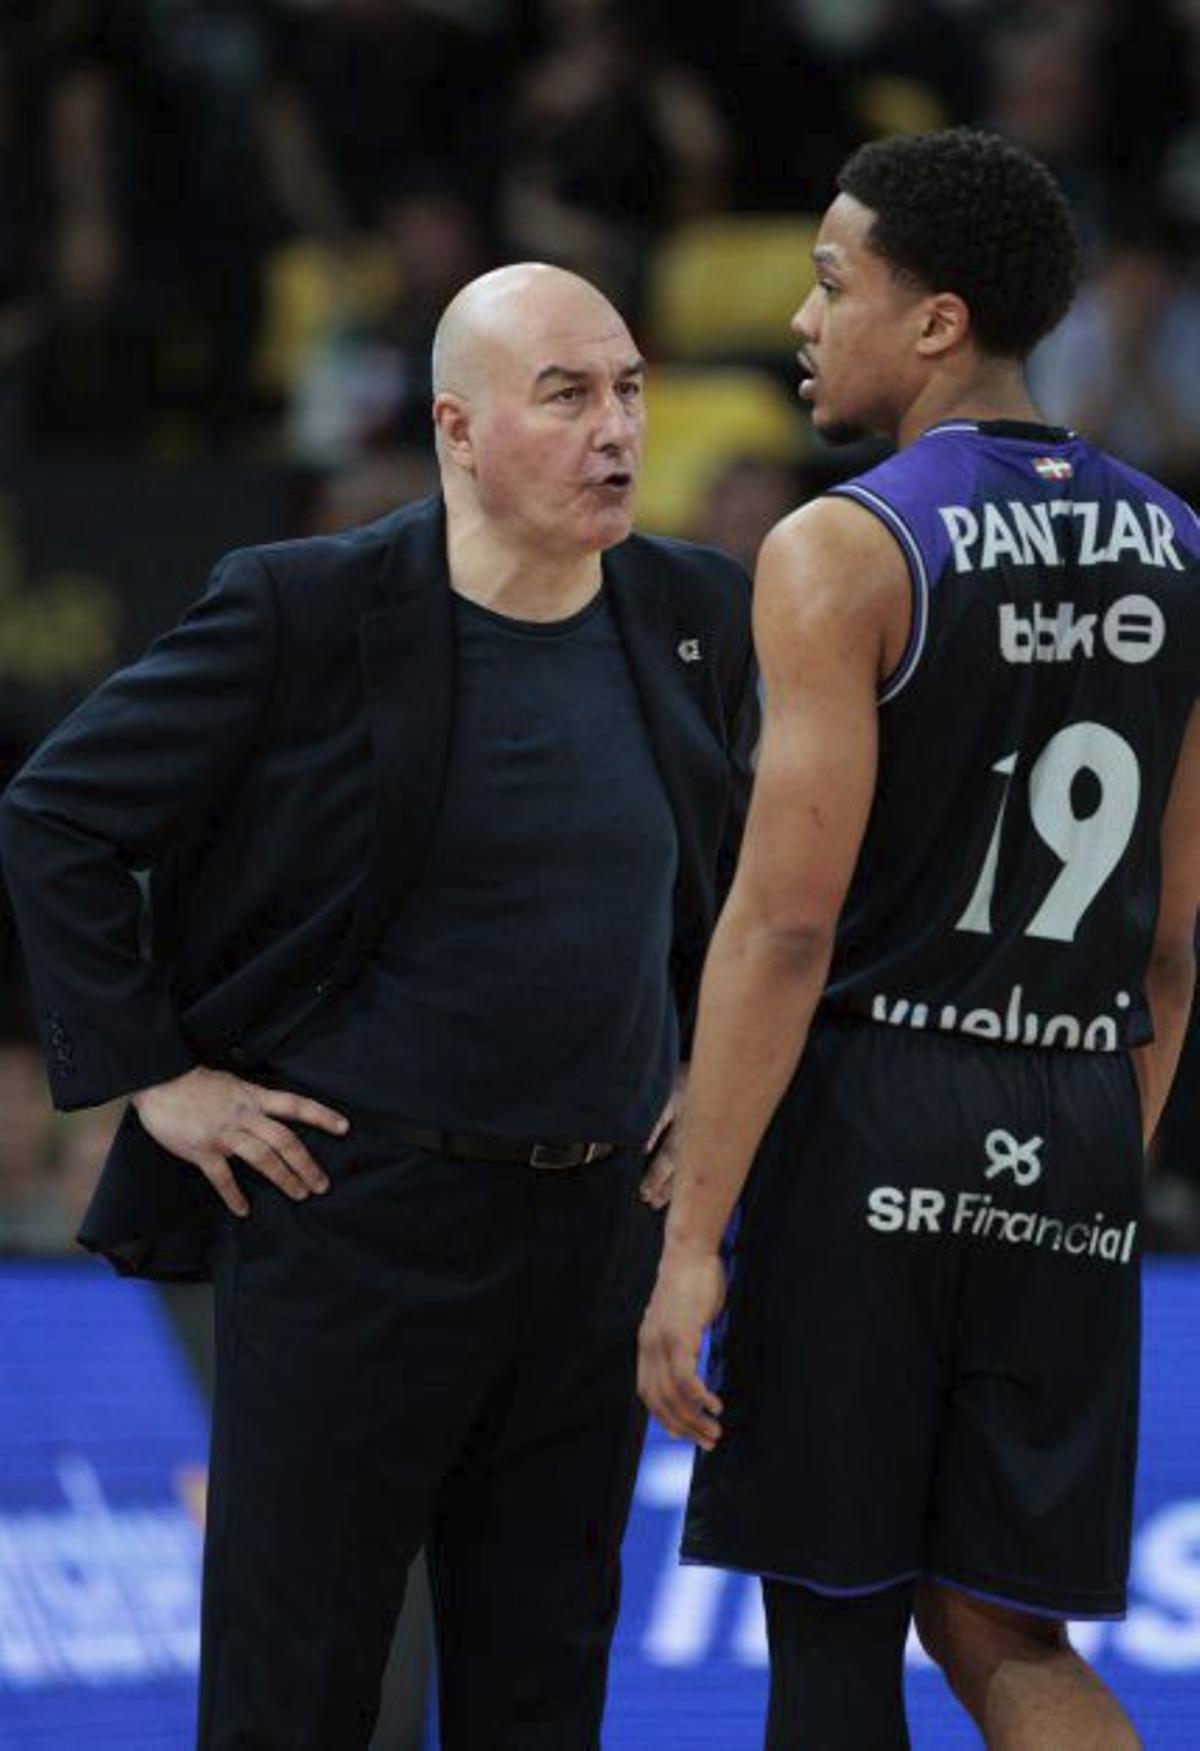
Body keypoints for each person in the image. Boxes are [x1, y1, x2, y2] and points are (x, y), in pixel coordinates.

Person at [0, 261, 758, 1748]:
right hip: (356, 1215)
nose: (617, 431)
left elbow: (725, 888)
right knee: (303, 1686)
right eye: (567, 397)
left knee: (542, 1684)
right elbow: (59, 816)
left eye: (629, 391)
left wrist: (696, 1073)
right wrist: (159, 1072)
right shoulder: (309, 606)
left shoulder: (691, 612)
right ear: (457, 429)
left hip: (593, 1228)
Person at [637, 127, 1198, 1749]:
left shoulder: (845, 547)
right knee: (998, 1624)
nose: (804, 321)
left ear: (937, 321)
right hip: (1081, 1113)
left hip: (878, 1112)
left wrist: (691, 1245)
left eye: (832, 284)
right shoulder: (1181, 549)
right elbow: (1168, 941)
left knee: (833, 1629)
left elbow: (786, 923)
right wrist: (1087, 1151)